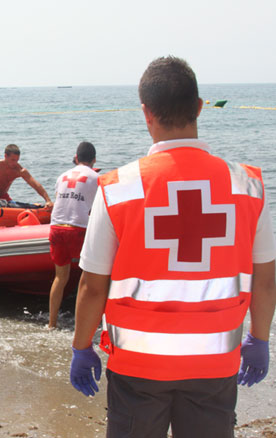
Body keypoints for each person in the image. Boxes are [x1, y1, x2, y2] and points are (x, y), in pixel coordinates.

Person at [70, 56, 276, 438]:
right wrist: (259, 338)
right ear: (199, 107)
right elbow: (265, 279)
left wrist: (82, 347)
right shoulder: (247, 186)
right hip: (214, 365)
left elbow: (92, 286)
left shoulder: (118, 188)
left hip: (137, 368)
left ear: (146, 113)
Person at [47, 141, 98, 329]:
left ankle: (51, 324)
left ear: (76, 158)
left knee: (60, 277)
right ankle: (85, 323)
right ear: (94, 160)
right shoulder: (96, 177)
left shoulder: (62, 176)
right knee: (90, 276)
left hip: (56, 228)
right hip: (78, 230)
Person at [0, 143, 53, 207]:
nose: (15, 163)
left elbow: (35, 184)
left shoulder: (19, 170)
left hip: (3, 197)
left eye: (17, 160)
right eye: (13, 160)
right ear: (5, 156)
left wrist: (48, 200)